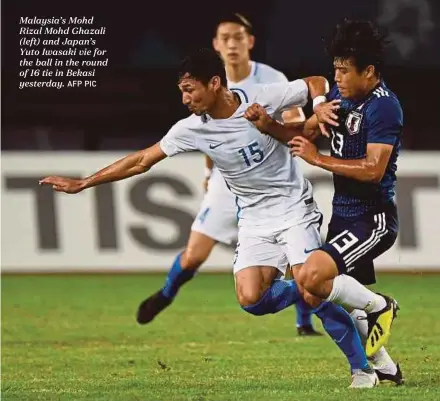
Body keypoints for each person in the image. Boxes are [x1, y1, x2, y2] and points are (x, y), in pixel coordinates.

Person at [40, 48, 381, 388]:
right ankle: (316, 294)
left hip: (293, 207)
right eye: (182, 92)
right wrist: (84, 182)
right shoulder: (191, 129)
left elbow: (315, 82)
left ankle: (364, 368)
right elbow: (142, 160)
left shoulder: (260, 97)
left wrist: (320, 101)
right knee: (252, 299)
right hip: (253, 218)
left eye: (190, 89)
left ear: (215, 83)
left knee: (312, 288)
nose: (185, 98)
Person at [138, 12, 319, 336]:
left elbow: (296, 125)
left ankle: (303, 321)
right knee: (194, 255)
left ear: (250, 41)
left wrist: (276, 125)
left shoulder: (269, 78)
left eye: (238, 37)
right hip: (227, 179)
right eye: (225, 38)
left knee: (296, 258)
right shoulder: (206, 85)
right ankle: (166, 293)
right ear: (215, 45)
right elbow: (208, 137)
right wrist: (209, 172)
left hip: (271, 176)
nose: (231, 44)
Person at [244, 19, 403, 385]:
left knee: (313, 278)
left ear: (370, 71)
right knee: (320, 296)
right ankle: (383, 369)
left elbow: (373, 169)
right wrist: (268, 124)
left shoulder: (385, 107)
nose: (338, 77)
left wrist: (319, 159)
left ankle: (382, 305)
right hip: (343, 216)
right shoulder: (339, 98)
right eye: (335, 69)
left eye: (345, 71)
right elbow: (303, 136)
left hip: (373, 218)